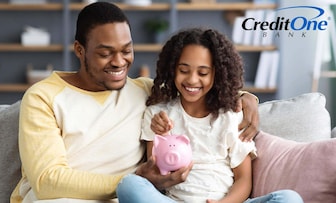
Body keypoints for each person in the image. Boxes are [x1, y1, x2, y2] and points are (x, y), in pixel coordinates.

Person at [10, 2, 260, 203]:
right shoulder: (43, 96)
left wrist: (247, 99)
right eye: (105, 53)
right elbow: (47, 181)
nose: (119, 62)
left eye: (126, 50)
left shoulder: (144, 90)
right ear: (79, 49)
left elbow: (197, 90)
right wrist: (137, 179)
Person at [116, 28, 304, 203]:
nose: (192, 79)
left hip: (224, 201)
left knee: (289, 198)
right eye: (183, 70)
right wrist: (162, 136)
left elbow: (244, 180)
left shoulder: (232, 115)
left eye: (203, 73)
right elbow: (157, 174)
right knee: (129, 185)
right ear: (172, 69)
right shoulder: (158, 114)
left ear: (218, 74)